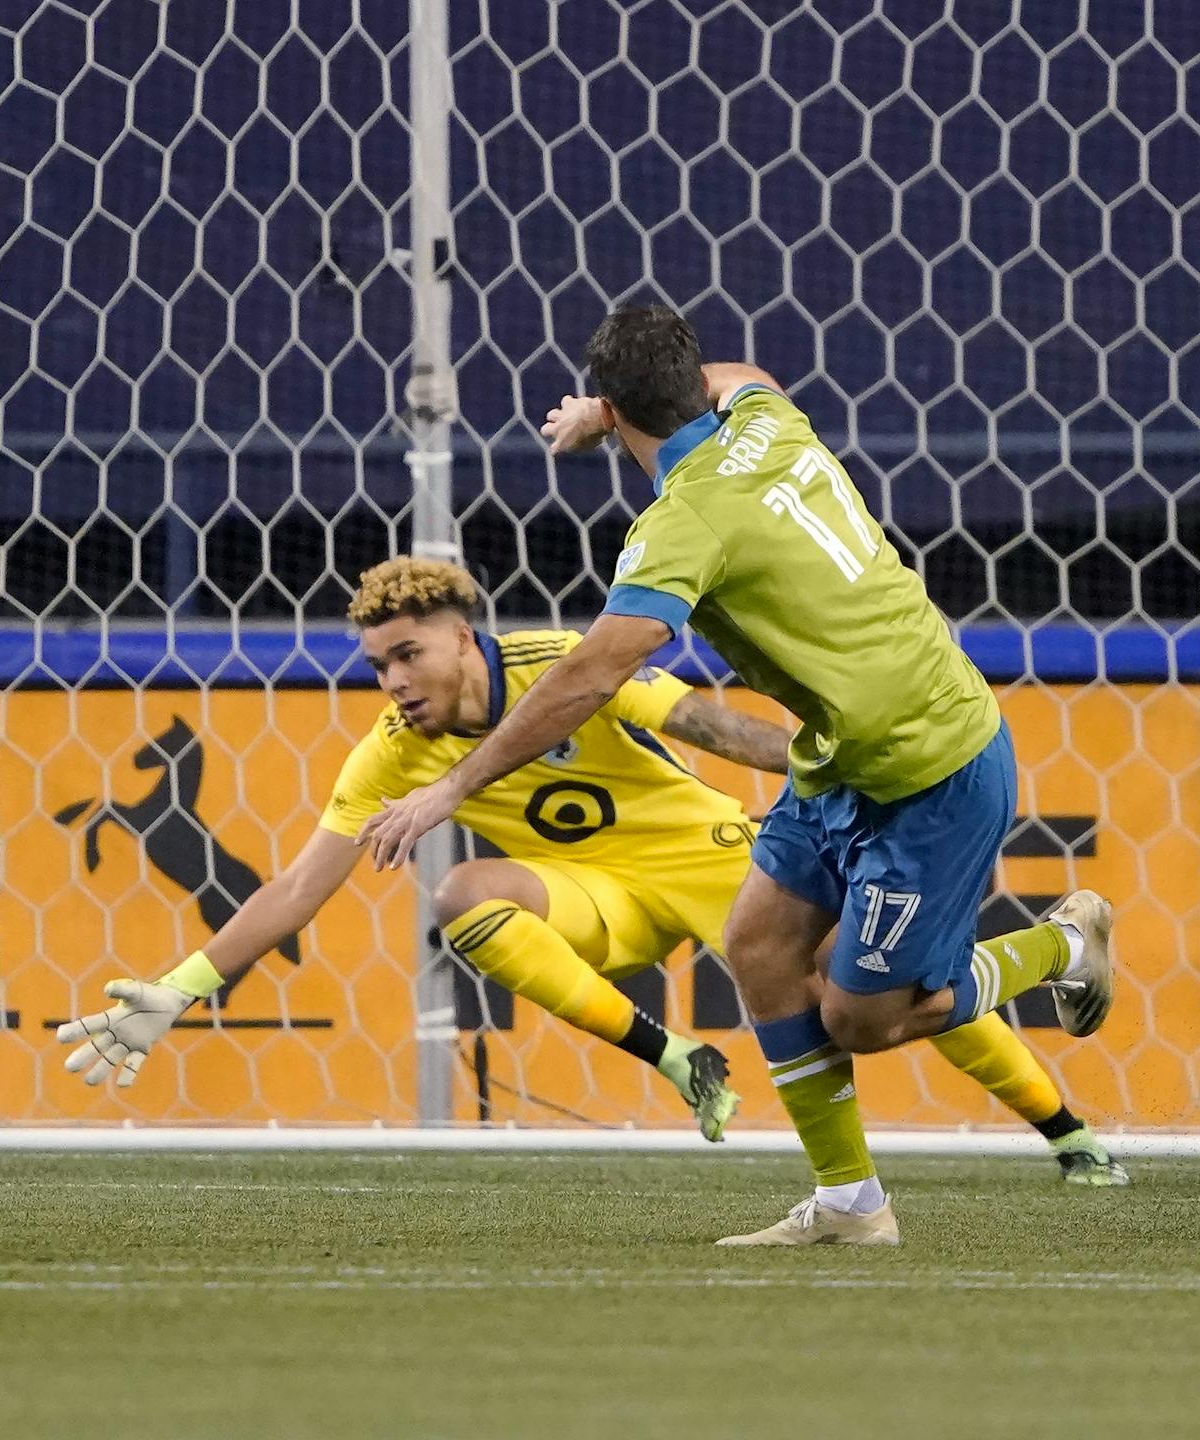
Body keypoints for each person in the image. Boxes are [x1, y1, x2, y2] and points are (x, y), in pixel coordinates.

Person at [357, 305, 1116, 1245]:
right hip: (841, 759)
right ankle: (850, 1205)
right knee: (757, 943)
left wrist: (450, 788)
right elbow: (743, 371)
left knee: (863, 1020)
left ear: (617, 406)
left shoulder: (682, 523)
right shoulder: (766, 422)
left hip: (933, 767)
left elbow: (594, 671)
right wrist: (611, 412)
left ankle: (1059, 949)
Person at [56, 557, 1127, 1187]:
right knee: (464, 897)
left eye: (408, 656)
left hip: (710, 858)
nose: (392, 682)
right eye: (378, 664)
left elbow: (704, 719)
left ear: (465, 639)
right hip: (602, 901)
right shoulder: (392, 751)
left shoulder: (565, 669)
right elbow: (298, 888)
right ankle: (677, 1059)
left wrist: (822, 755)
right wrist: (182, 989)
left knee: (879, 990)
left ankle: (1068, 1133)